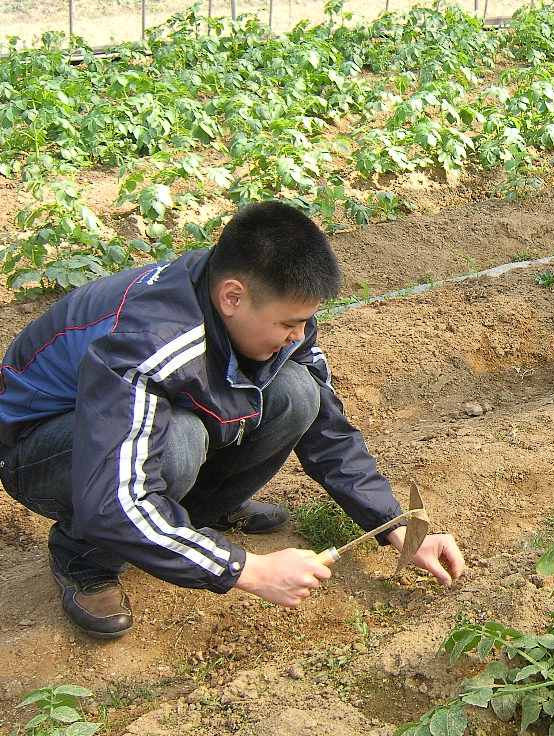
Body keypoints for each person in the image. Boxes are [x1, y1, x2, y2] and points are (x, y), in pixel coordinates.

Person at [0, 201, 465, 639]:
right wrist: (246, 569)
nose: (299, 335)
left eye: (306, 321)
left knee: (296, 392)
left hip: (117, 421)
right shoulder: (150, 340)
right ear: (232, 298)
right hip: (40, 445)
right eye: (289, 323)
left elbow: (327, 426)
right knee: (176, 443)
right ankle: (83, 556)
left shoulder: (264, 305)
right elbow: (115, 498)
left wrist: (394, 524)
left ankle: (195, 517)